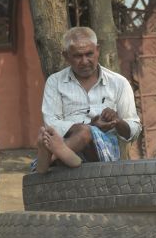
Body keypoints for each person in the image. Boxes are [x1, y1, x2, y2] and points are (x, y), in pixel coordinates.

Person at [35, 26, 141, 173]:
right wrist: (89, 125)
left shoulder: (118, 82)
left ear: (98, 50)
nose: (84, 61)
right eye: (78, 56)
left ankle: (49, 158)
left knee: (86, 132)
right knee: (83, 130)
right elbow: (51, 123)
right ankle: (64, 154)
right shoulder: (55, 82)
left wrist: (117, 121)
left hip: (105, 151)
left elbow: (134, 130)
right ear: (66, 56)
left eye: (89, 54)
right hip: (70, 142)